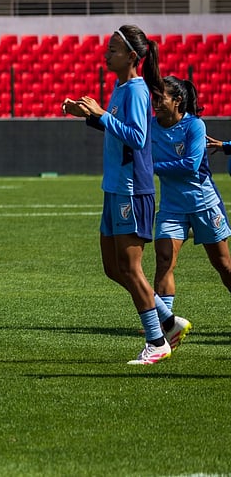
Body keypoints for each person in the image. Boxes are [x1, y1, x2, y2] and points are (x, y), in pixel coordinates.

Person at [62, 25, 188, 365]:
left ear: (132, 56)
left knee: (131, 268)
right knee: (113, 267)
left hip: (132, 190)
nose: (106, 54)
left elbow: (137, 136)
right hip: (114, 188)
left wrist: (101, 114)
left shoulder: (136, 90)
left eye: (113, 49)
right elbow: (117, 130)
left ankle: (156, 341)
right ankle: (169, 321)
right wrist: (89, 115)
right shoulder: (120, 88)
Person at [152, 76, 230, 311]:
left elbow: (191, 165)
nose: (155, 101)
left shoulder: (195, 125)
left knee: (223, 264)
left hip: (204, 204)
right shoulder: (150, 126)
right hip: (171, 207)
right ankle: (164, 321)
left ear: (177, 100)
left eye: (160, 96)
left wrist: (151, 167)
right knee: (164, 260)